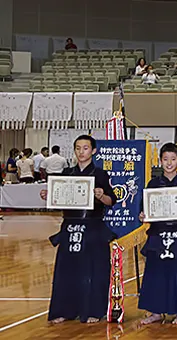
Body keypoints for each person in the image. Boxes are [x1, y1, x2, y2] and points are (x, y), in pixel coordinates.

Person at [39, 135, 116, 324]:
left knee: (94, 270)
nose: (81, 152)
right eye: (78, 148)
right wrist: (48, 195)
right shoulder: (66, 173)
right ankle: (65, 310)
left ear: (94, 151)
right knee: (67, 270)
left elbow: (111, 201)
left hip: (92, 226)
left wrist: (101, 195)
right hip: (70, 226)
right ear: (74, 151)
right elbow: (58, 200)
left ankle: (95, 310)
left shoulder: (100, 174)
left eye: (86, 148)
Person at [137, 143, 177, 325]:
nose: (169, 163)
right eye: (165, 159)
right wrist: (142, 215)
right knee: (155, 274)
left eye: (173, 159)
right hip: (158, 235)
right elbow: (144, 208)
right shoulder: (153, 184)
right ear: (160, 161)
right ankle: (156, 312)